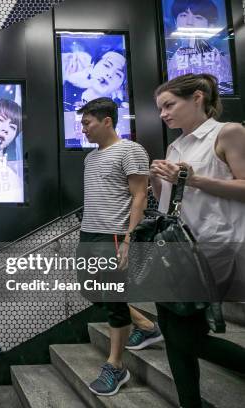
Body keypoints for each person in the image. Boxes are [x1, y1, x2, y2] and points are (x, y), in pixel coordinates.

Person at [151, 73, 245, 407]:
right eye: (160, 108)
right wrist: (157, 179)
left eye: (169, 105)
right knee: (173, 332)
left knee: (185, 336)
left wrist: (194, 179)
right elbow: (167, 204)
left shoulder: (228, 132)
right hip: (181, 250)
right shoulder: (175, 145)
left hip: (220, 245)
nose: (163, 114)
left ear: (198, 97)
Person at [75, 98, 159, 396]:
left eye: (87, 122)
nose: (83, 128)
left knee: (112, 299)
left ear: (107, 121)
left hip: (113, 235)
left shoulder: (131, 150)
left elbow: (139, 197)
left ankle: (116, 364)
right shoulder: (91, 158)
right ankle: (146, 325)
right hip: (90, 233)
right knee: (90, 289)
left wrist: (128, 239)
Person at [165, 0, 232, 93]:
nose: (189, 22)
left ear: (210, 25)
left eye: (198, 17)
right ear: (175, 21)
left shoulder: (224, 58)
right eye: (183, 15)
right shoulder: (168, 58)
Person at [63, 48, 129, 110]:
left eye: (118, 74)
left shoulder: (119, 109)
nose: (110, 74)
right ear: (92, 66)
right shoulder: (65, 98)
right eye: (106, 65)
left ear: (120, 86)